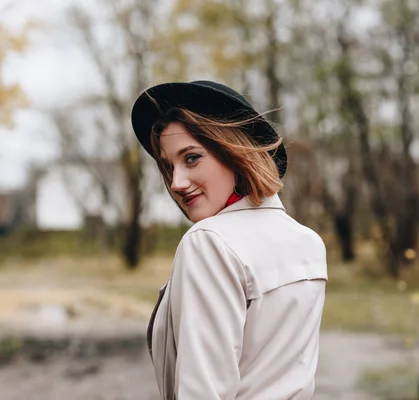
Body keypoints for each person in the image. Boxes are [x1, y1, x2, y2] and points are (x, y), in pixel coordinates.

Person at [130, 80, 328, 399]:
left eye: (191, 158)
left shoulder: (209, 242)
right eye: (168, 167)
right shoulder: (308, 243)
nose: (177, 183)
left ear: (235, 153)